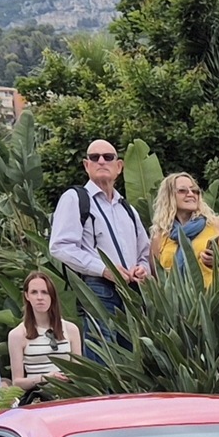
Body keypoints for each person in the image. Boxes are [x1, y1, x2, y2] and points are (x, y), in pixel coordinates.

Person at [48, 140, 151, 332]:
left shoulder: (127, 209)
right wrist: (104, 269)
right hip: (99, 289)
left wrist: (142, 269)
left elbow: (144, 253)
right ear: (87, 166)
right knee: (104, 355)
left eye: (108, 157)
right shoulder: (75, 198)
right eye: (95, 157)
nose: (101, 161)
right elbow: (59, 246)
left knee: (133, 356)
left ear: (119, 166)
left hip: (132, 293)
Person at [150, 173, 219, 284]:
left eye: (194, 191)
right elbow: (156, 279)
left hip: (214, 298)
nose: (191, 194)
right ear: (169, 196)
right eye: (183, 191)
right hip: (176, 300)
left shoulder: (215, 225)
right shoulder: (160, 235)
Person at [7, 271, 82, 404]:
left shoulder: (71, 329)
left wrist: (65, 378)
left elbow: (79, 371)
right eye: (34, 292)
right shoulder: (17, 334)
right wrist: (45, 378)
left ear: (52, 296)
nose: (40, 297)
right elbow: (17, 382)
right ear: (27, 296)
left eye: (45, 292)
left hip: (68, 397)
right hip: (37, 398)